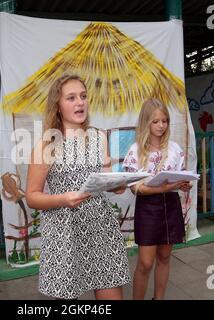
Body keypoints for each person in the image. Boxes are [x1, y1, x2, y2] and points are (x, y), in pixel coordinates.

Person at [25, 74, 131, 300]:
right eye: (71, 98)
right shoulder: (46, 144)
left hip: (100, 227)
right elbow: (32, 197)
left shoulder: (98, 137)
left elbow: (105, 177)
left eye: (83, 96)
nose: (80, 102)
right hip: (64, 232)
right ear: (58, 106)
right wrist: (63, 199)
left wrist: (116, 185)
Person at [122, 98, 192, 300]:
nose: (161, 125)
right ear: (146, 123)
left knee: (164, 257)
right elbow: (136, 189)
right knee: (145, 263)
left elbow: (180, 178)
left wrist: (184, 184)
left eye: (165, 121)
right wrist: (163, 187)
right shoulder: (135, 151)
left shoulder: (175, 149)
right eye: (155, 121)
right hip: (148, 209)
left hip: (171, 206)